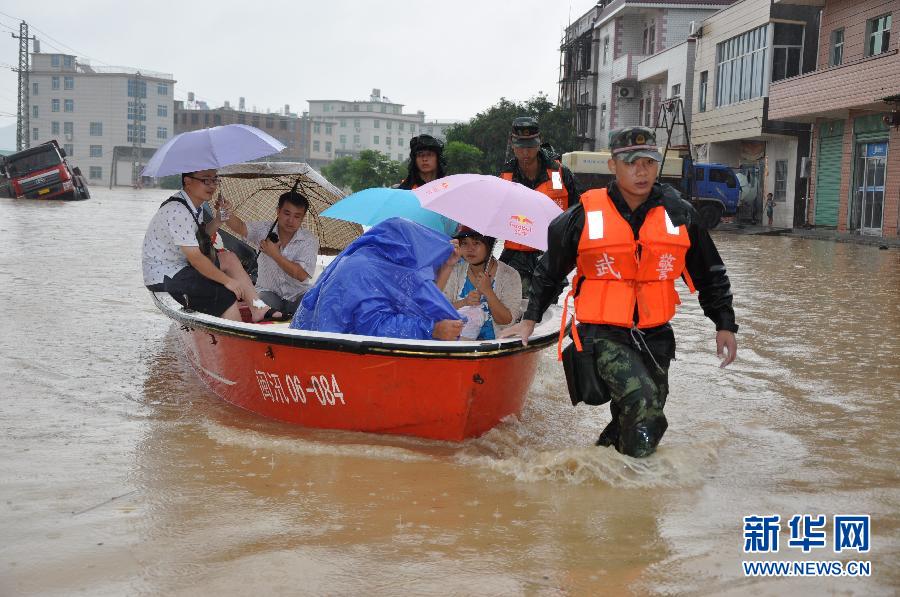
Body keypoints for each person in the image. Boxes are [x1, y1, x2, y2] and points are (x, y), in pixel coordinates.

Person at [501, 127, 738, 458]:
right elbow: (549, 272)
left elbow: (710, 272)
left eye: (648, 162)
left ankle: (603, 469)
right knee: (643, 406)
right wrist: (530, 319)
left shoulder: (680, 215)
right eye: (631, 162)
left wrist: (724, 324)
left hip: (655, 335)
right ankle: (637, 486)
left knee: (640, 413)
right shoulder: (582, 215)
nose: (641, 171)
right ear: (613, 166)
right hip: (602, 335)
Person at [142, 169, 281, 322]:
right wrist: (228, 281)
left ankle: (258, 308)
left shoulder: (195, 205)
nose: (212, 186)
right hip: (165, 275)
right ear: (188, 182)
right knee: (225, 294)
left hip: (182, 266)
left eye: (215, 180)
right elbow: (196, 258)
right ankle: (234, 338)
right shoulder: (178, 211)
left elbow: (200, 237)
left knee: (228, 258)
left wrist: (218, 220)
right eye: (206, 180)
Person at [292, 218, 464, 340]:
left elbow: (414, 303)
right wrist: (431, 330)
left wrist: (447, 265)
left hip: (316, 345)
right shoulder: (367, 271)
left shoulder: (371, 261)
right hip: (339, 360)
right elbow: (374, 326)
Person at [498, 116, 580, 296]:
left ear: (539, 142)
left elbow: (578, 214)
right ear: (512, 144)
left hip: (550, 254)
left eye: (530, 145)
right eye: (520, 146)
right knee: (513, 310)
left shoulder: (561, 173)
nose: (525, 152)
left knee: (545, 313)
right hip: (515, 256)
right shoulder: (505, 175)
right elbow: (495, 216)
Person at [224, 188, 319, 316]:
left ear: (303, 218)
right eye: (287, 213)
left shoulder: (308, 239)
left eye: (297, 216)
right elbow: (240, 227)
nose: (291, 220)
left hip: (297, 294)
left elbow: (301, 275)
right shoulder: (264, 230)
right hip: (267, 292)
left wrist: (274, 254)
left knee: (313, 301)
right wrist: (224, 211)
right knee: (261, 302)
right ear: (278, 211)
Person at [437, 227, 523, 340]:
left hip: (495, 347)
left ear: (489, 245)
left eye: (476, 243)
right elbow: (439, 311)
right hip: (459, 344)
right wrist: (464, 302)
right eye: (464, 243)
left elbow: (507, 322)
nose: (470, 249)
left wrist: (488, 292)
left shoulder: (510, 275)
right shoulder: (455, 271)